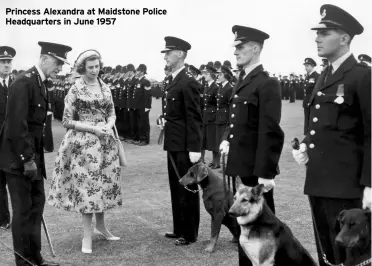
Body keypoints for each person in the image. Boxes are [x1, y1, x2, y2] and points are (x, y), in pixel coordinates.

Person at [292, 5, 371, 266]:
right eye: (318, 33)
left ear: (345, 38)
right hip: (318, 180)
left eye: (325, 33)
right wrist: (305, 143)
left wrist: (370, 184)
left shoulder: (362, 76)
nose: (317, 38)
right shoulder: (324, 74)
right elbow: (320, 123)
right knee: (325, 250)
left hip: (346, 186)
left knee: (350, 256)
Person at [0, 41, 70, 266]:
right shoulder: (24, 82)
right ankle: (23, 262)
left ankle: (35, 259)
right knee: (22, 213)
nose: (60, 68)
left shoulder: (40, 82)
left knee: (36, 208)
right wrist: (28, 160)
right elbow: (16, 126)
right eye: (58, 62)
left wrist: (35, 160)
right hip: (18, 161)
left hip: (33, 159)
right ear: (46, 58)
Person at [219, 25, 284, 266]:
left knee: (262, 232)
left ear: (255, 48)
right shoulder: (243, 79)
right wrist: (227, 136)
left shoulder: (266, 83)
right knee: (245, 229)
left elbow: (271, 131)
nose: (235, 52)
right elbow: (237, 119)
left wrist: (266, 173)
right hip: (243, 163)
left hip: (257, 170)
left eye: (240, 47)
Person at [47, 49, 122, 254]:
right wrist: (93, 128)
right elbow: (66, 120)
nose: (94, 70)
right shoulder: (75, 88)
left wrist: (109, 123)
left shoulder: (105, 86)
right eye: (90, 67)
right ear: (82, 68)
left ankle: (101, 226)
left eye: (97, 66)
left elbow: (112, 112)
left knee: (103, 186)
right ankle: (86, 235)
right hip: (83, 145)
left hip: (105, 143)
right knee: (88, 190)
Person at [160, 36, 202, 246]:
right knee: (175, 187)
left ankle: (190, 232)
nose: (165, 56)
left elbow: (195, 117)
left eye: (169, 52)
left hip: (185, 145)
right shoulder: (172, 80)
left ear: (180, 54)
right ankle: (179, 228)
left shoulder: (189, 82)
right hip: (173, 142)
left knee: (187, 189)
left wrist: (195, 147)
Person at [0, 46, 16, 230]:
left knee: (16, 182)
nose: (6, 65)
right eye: (3, 62)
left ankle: (18, 218)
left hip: (14, 141)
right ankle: (3, 218)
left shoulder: (17, 84)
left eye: (8, 62)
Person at [201, 65, 219, 168]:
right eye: (204, 74)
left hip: (212, 117)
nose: (204, 76)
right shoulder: (207, 86)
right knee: (203, 139)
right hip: (205, 116)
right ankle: (202, 160)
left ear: (212, 75)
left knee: (213, 140)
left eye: (206, 74)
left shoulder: (216, 87)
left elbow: (218, 104)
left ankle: (216, 162)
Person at [215, 65, 233, 169]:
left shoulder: (229, 88)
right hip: (219, 118)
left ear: (226, 75)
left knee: (225, 142)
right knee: (220, 142)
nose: (218, 76)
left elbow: (230, 105)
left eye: (220, 74)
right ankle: (223, 165)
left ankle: (226, 165)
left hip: (226, 119)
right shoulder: (221, 87)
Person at [133, 64, 152, 146]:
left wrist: (147, 106)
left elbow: (148, 96)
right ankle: (140, 138)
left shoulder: (146, 82)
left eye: (137, 70)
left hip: (144, 106)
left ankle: (145, 139)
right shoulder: (138, 81)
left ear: (142, 71)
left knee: (144, 123)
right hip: (138, 106)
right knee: (139, 123)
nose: (136, 72)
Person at [302, 58, 320, 135]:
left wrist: (311, 101)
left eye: (307, 66)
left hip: (312, 102)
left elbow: (316, 90)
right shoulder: (307, 76)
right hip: (306, 102)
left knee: (312, 120)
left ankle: (311, 135)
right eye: (305, 65)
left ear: (312, 66)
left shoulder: (317, 76)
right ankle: (307, 134)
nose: (305, 67)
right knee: (307, 119)